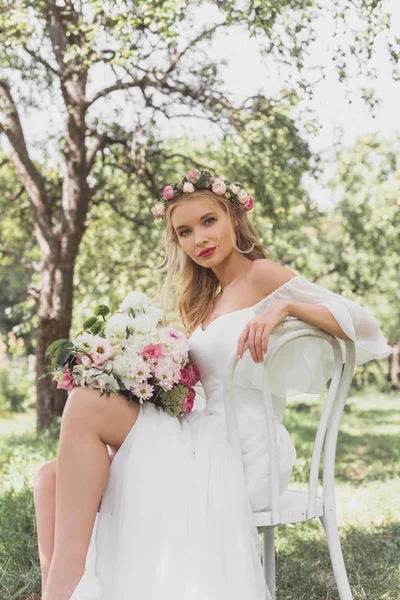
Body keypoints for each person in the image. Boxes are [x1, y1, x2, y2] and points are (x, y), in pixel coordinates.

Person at [34, 169, 392, 600]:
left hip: (240, 448)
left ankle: (60, 592)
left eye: (208, 221)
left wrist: (288, 309)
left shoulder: (261, 274)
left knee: (87, 402)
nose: (199, 238)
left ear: (233, 219)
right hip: (198, 434)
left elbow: (367, 326)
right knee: (51, 477)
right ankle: (60, 587)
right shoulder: (205, 300)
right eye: (185, 231)